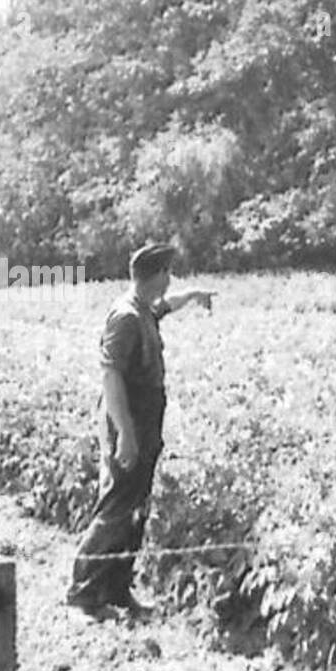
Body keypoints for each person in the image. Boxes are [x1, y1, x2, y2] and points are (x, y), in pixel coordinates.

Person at [67, 243, 215, 620]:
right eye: (168, 272)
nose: (171, 281)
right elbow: (110, 378)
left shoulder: (144, 309)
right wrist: (126, 436)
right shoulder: (126, 317)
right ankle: (83, 595)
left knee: (135, 510)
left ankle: (117, 591)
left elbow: (166, 306)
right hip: (128, 423)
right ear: (158, 275)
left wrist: (194, 296)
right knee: (116, 509)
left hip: (145, 422)